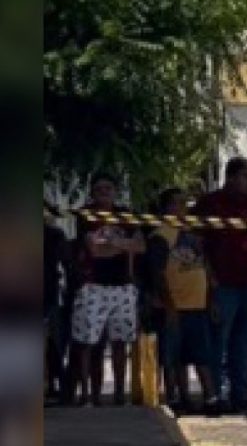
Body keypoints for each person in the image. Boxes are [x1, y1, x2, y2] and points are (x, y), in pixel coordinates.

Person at [194, 156, 247, 412]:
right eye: (246, 176)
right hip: (223, 282)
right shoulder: (210, 203)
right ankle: (216, 393)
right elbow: (198, 244)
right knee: (219, 339)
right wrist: (210, 278)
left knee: (244, 339)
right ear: (232, 177)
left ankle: (242, 392)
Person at [69, 173, 145, 406]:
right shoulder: (87, 214)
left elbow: (140, 245)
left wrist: (114, 244)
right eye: (99, 189)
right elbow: (93, 249)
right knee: (89, 342)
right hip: (94, 285)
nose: (104, 192)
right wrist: (123, 246)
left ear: (115, 191)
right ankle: (88, 394)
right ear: (92, 192)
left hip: (122, 285)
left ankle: (120, 393)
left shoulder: (126, 215)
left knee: (121, 341)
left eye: (109, 188)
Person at [147, 188, 217, 414]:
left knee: (201, 354)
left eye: (184, 204)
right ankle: (175, 397)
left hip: (197, 304)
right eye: (176, 204)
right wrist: (169, 306)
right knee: (171, 356)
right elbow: (157, 274)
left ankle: (210, 398)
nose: (182, 209)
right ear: (166, 208)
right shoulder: (160, 236)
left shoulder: (192, 235)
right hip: (174, 306)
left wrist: (211, 299)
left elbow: (205, 268)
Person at [44, 206, 72, 402]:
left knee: (55, 342)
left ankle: (57, 386)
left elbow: (67, 262)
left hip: (49, 294)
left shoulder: (54, 234)